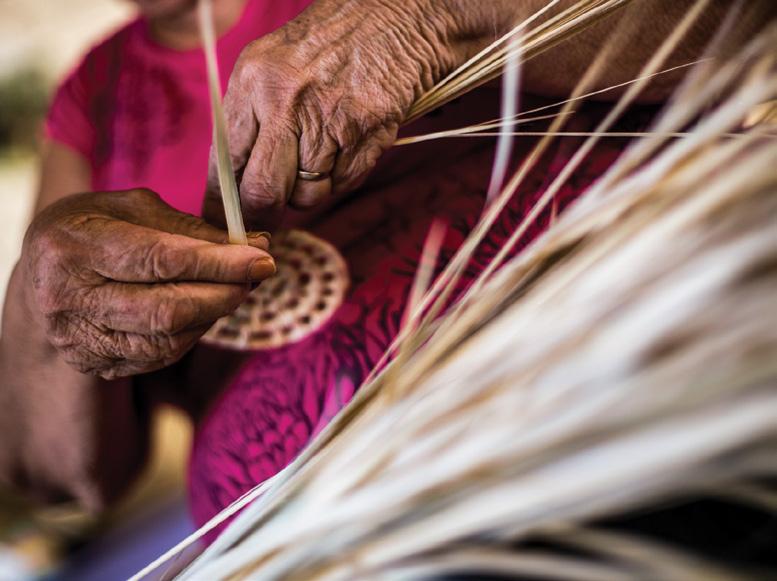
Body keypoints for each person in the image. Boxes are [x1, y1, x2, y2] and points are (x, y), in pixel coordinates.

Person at [0, 0, 746, 538]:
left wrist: (427, 19)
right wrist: (41, 308)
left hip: (614, 385)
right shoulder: (92, 96)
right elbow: (64, 476)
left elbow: (741, 32)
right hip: (334, 536)